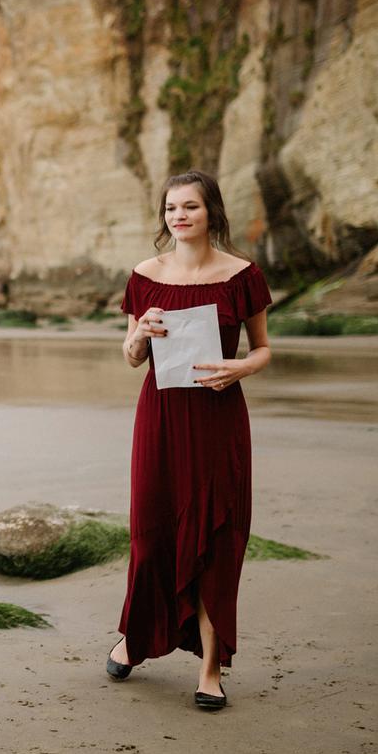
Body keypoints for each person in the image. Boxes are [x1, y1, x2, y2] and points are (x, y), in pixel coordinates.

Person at [107, 170, 272, 711]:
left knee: (218, 541)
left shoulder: (242, 275)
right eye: (171, 208)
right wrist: (140, 333)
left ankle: (209, 669)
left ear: (211, 213)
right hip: (160, 415)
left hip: (218, 418)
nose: (179, 216)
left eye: (190, 207)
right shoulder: (145, 276)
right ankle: (135, 638)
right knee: (152, 532)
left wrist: (239, 368)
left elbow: (264, 349)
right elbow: (131, 358)